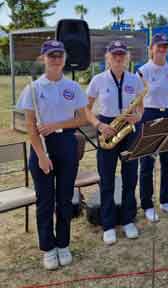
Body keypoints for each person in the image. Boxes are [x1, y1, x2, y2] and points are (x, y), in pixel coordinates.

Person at [17, 40, 88, 270]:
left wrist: (56, 123)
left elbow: (82, 119)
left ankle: (63, 244)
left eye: (59, 55)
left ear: (64, 58)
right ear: (43, 58)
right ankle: (48, 248)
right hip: (42, 148)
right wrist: (41, 156)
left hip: (66, 142)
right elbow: (30, 126)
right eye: (51, 55)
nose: (56, 59)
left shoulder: (73, 87)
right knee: (45, 201)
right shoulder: (33, 89)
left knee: (65, 198)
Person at [86, 40, 144, 245]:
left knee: (130, 177)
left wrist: (137, 117)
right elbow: (86, 108)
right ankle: (108, 224)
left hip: (129, 129)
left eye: (122, 54)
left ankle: (128, 220)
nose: (118, 58)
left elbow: (140, 106)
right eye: (114, 55)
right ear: (108, 58)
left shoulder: (134, 79)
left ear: (127, 57)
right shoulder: (98, 80)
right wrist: (99, 125)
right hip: (108, 128)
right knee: (107, 179)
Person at [139, 33, 168, 222]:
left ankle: (165, 200)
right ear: (151, 49)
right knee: (147, 163)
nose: (162, 49)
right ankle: (147, 204)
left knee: (167, 160)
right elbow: (137, 98)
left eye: (165, 46)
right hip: (149, 115)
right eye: (159, 46)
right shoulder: (143, 71)